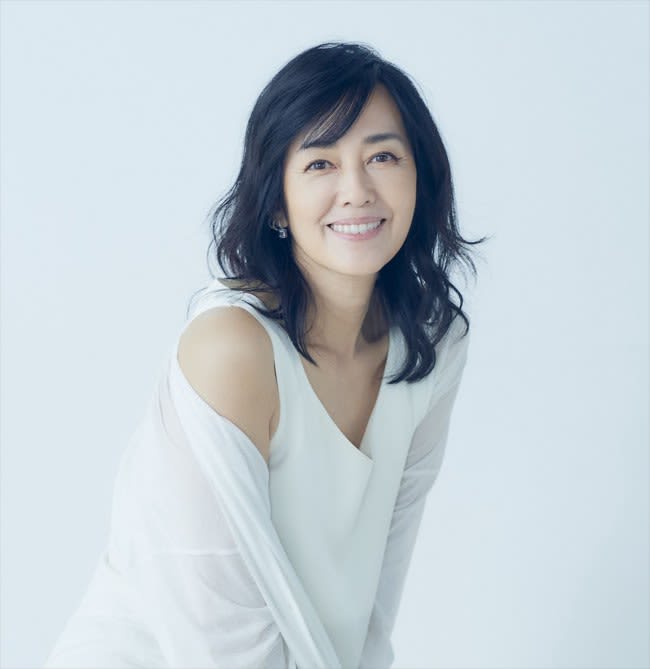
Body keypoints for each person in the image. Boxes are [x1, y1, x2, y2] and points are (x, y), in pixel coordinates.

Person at [44, 41, 486, 669]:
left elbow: (375, 602)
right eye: (320, 163)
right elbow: (215, 634)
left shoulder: (433, 342)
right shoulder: (232, 350)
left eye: (383, 156)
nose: (357, 190)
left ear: (422, 176)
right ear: (276, 200)